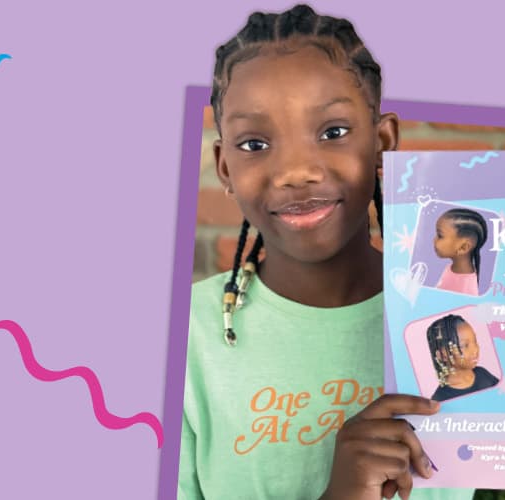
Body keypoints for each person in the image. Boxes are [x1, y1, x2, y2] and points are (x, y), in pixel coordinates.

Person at [177, 5, 474, 499]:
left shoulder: (458, 315)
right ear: (224, 167)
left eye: (333, 132)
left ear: (382, 144)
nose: (296, 170)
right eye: (254, 143)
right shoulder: (187, 338)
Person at [424, 314, 498, 401]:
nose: (475, 350)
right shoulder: (441, 400)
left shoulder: (483, 374)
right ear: (443, 355)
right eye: (465, 346)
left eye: (475, 341)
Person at [432, 208, 487, 296]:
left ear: (463, 247)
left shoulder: (467, 291)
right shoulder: (451, 268)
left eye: (440, 235)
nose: (433, 240)